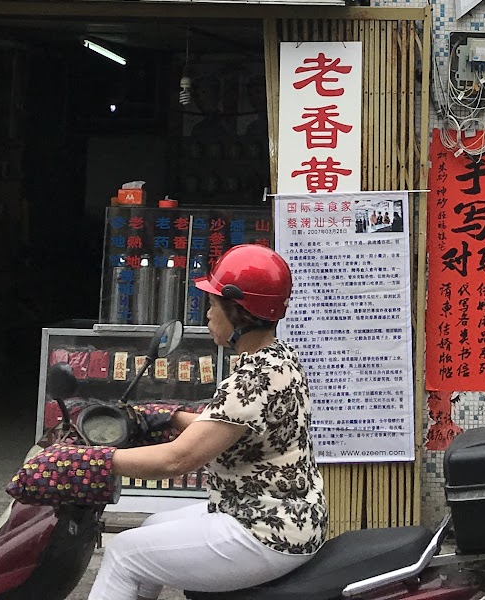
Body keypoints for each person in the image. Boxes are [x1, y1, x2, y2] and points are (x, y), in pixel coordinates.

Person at [89, 245, 327, 600]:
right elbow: (226, 427)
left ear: (240, 313)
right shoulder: (279, 359)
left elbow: (177, 460)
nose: (208, 315)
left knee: (124, 554)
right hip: (285, 513)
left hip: (264, 529)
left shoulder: (251, 380)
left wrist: (88, 462)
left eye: (214, 305)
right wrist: (170, 418)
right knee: (152, 526)